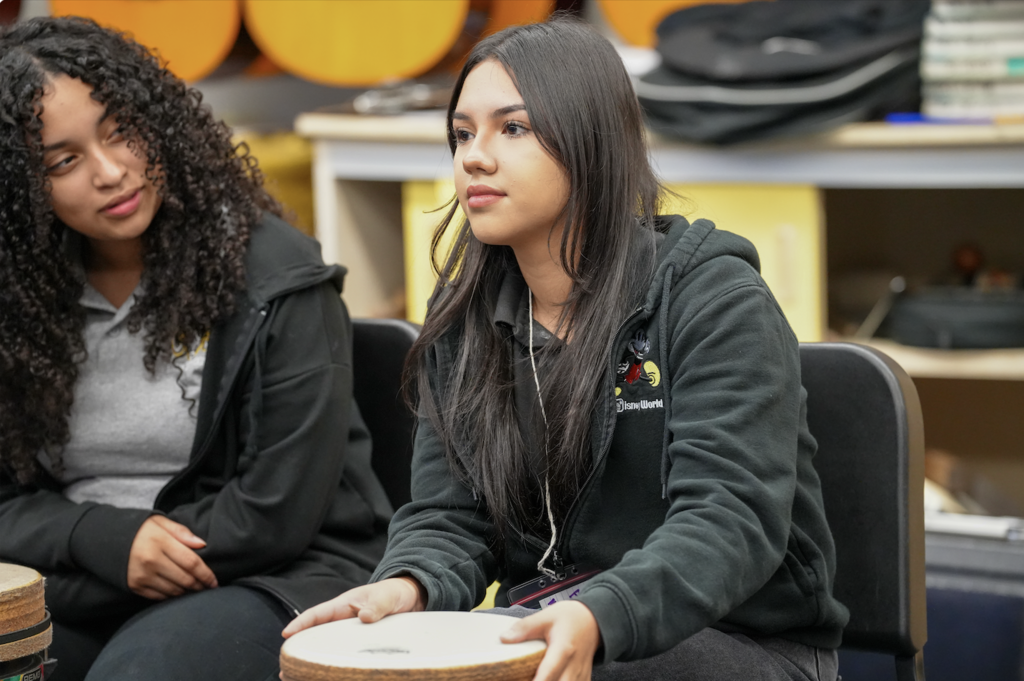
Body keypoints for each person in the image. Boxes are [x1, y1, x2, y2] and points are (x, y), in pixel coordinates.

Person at [284, 16, 849, 681]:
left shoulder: (712, 295)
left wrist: (603, 612)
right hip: (554, 619)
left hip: (747, 640)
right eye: (462, 133)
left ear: (589, 140)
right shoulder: (464, 315)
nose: (474, 156)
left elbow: (729, 520)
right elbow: (450, 518)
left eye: (512, 129)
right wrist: (404, 586)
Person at [0, 16, 392, 681]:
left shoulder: (277, 274)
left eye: (121, 129)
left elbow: (273, 516)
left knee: (144, 670)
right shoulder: (22, 302)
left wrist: (67, 581)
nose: (111, 171)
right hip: (93, 570)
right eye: (63, 160)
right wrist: (105, 541)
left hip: (277, 577)